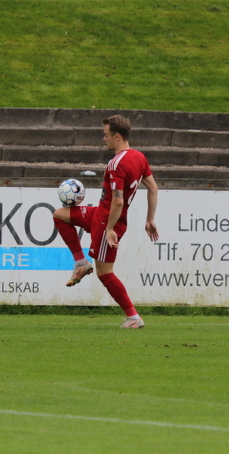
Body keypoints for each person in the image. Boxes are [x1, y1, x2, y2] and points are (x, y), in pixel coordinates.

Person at [52, 115, 159, 329]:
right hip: (99, 214)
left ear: (117, 136)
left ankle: (133, 317)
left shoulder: (116, 164)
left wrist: (109, 229)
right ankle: (81, 263)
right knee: (59, 214)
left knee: (104, 272)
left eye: (106, 135)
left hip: (107, 222)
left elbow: (118, 201)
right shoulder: (139, 157)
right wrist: (150, 219)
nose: (104, 139)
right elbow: (153, 188)